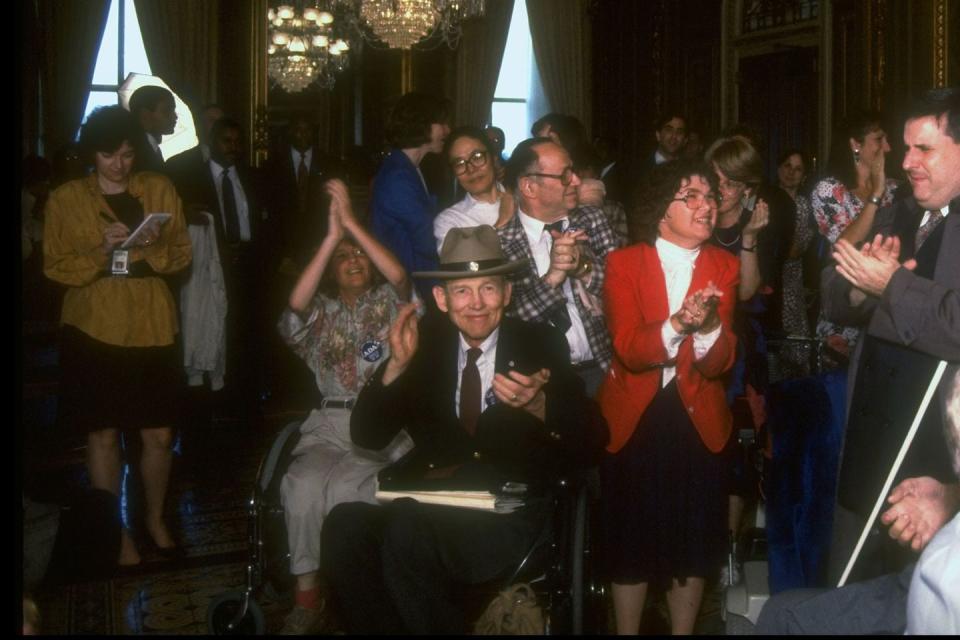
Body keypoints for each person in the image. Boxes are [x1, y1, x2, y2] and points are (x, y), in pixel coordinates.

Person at [321, 225, 608, 634]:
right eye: (461, 291)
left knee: (407, 525)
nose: (476, 304)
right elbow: (367, 437)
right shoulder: (423, 346)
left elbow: (594, 439)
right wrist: (395, 367)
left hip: (508, 517)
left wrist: (541, 405)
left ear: (506, 294)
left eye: (488, 289)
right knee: (344, 525)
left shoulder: (539, 342)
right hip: (434, 504)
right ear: (441, 299)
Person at [821, 86, 960, 585]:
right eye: (905, 148)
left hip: (935, 454)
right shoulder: (899, 209)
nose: (908, 162)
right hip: (871, 428)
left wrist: (891, 285)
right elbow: (834, 294)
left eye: (924, 149)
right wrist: (862, 291)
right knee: (852, 585)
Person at [43, 105, 192, 567]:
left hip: (151, 322)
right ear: (93, 154)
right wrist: (101, 249)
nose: (119, 165)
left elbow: (183, 253)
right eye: (108, 156)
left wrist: (152, 247)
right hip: (95, 327)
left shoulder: (159, 188)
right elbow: (55, 266)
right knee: (104, 434)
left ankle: (154, 519)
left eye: (127, 155)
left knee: (159, 433)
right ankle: (116, 535)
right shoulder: (66, 199)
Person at [597, 159, 739, 634]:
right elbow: (630, 351)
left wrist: (711, 324)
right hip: (635, 418)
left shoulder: (725, 265)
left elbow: (718, 366)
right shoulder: (623, 263)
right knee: (631, 541)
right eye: (691, 196)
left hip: (697, 417)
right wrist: (678, 324)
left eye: (710, 197)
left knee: (693, 544)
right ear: (662, 210)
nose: (706, 205)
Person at [275, 179, 415, 634]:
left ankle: (352, 593)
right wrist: (331, 237)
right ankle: (308, 597)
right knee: (302, 486)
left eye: (359, 255)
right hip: (330, 424)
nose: (353, 261)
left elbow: (399, 278)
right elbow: (295, 306)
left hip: (379, 422)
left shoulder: (390, 305)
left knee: (344, 494)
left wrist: (352, 223)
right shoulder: (321, 315)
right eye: (344, 258)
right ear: (331, 272)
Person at [755, 363, 960, 635]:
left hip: (941, 586)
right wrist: (948, 497)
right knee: (780, 613)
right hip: (914, 583)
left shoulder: (945, 569)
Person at [497, 138, 620, 395]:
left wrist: (581, 268)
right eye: (565, 175)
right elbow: (509, 323)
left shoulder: (592, 219)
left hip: (602, 369)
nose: (576, 181)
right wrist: (553, 277)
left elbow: (623, 291)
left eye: (573, 171)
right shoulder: (501, 245)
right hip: (540, 382)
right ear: (529, 186)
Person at [811, 111, 899, 361]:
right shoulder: (830, 190)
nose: (888, 148)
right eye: (879, 139)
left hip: (884, 312)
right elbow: (843, 247)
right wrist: (876, 195)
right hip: (843, 307)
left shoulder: (896, 190)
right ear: (855, 144)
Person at [369, 92, 451, 302]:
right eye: (441, 123)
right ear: (421, 125)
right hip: (410, 291)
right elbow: (427, 243)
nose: (447, 130)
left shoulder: (408, 168)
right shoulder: (399, 177)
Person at [775, 149, 816, 378]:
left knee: (795, 347)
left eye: (797, 169)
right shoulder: (766, 200)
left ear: (803, 176)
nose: (791, 172)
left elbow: (793, 252)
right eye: (787, 166)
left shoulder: (804, 206)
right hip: (768, 282)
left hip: (792, 282)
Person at [432, 126, 503, 251]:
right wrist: (503, 222)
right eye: (459, 164)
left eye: (477, 157)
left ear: (494, 158)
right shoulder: (449, 221)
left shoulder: (524, 199)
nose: (471, 169)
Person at [128, 85, 178, 174]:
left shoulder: (149, 146)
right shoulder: (136, 154)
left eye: (173, 110)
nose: (175, 116)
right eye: (166, 111)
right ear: (145, 116)